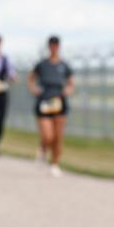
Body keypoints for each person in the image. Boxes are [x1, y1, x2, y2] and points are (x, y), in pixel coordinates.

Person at [29, 35, 74, 178]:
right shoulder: (42, 64)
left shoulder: (64, 65)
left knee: (58, 137)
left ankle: (55, 164)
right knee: (48, 135)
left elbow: (71, 82)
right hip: (44, 101)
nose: (54, 47)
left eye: (56, 45)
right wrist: (34, 89)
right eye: (52, 45)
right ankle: (43, 148)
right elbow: (31, 79)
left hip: (59, 101)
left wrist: (68, 91)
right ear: (49, 46)